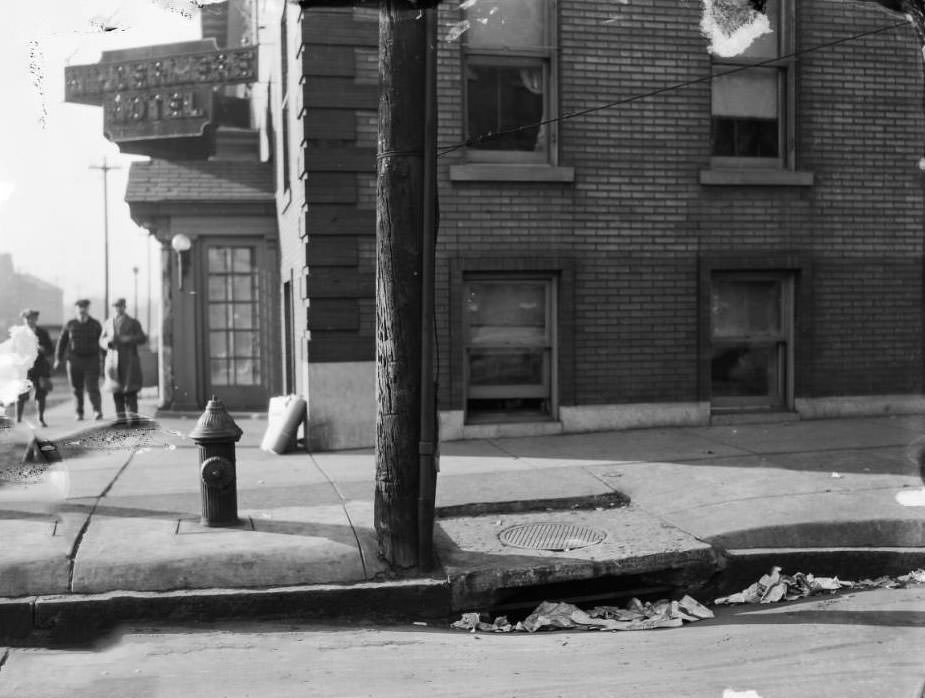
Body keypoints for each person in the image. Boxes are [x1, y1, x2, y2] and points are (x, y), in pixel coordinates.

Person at [100, 297, 147, 426]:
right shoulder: (108, 323)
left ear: (124, 307)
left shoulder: (133, 322)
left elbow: (142, 338)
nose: (118, 308)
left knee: (130, 391)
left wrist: (129, 339)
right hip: (113, 362)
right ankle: (121, 419)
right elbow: (101, 339)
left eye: (120, 306)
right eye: (115, 306)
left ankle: (134, 419)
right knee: (116, 391)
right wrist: (106, 343)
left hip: (129, 361)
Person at [55, 299, 104, 421]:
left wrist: (105, 359)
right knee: (76, 388)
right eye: (79, 307)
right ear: (76, 309)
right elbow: (62, 342)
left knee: (93, 387)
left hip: (92, 360)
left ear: (88, 309)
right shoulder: (70, 324)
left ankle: (97, 410)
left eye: (85, 307)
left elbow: (103, 342)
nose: (82, 310)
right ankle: (79, 412)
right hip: (74, 360)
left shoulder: (95, 324)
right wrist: (57, 359)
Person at [16, 309, 54, 427]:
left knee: (41, 393)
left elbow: (50, 349)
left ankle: (41, 418)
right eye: (27, 318)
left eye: (32, 318)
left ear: (36, 319)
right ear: (24, 320)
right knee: (21, 395)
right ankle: (18, 419)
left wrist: (43, 349)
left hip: (40, 366)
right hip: (24, 368)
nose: (30, 321)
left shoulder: (43, 333)